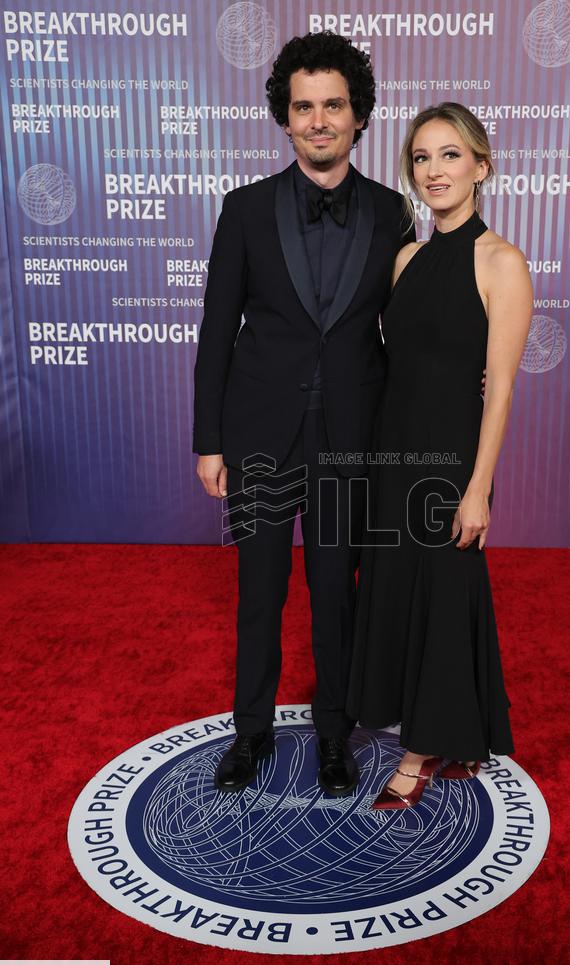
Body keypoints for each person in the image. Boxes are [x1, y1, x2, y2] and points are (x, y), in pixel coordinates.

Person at [192, 32, 419, 797]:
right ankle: (248, 734)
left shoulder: (394, 215)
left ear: (359, 117)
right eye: (303, 107)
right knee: (259, 594)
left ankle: (334, 734)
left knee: (336, 593)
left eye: (333, 106)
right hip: (258, 437)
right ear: (283, 120)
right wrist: (208, 441)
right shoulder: (245, 210)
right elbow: (217, 331)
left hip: (350, 441)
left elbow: (412, 333)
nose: (318, 121)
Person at [346, 103, 533, 810]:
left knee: (446, 593)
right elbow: (399, 360)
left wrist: (478, 486)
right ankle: (462, 730)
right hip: (394, 451)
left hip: (452, 458)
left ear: (481, 166)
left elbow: (502, 384)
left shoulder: (501, 261)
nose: (434, 170)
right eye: (422, 157)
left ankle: (421, 751)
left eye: (450, 155)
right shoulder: (406, 258)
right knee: (402, 587)